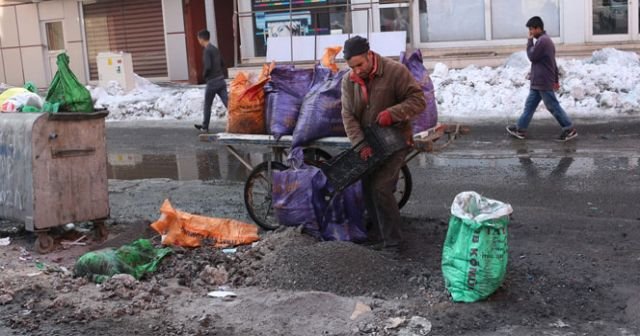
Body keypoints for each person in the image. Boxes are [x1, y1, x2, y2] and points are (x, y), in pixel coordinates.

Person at [340, 36, 426, 251]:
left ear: (370, 55)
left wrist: (393, 113)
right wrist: (360, 144)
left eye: (360, 64)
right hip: (369, 142)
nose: (357, 70)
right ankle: (378, 233)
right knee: (367, 185)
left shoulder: (395, 71)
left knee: (381, 188)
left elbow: (418, 101)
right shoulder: (348, 81)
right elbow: (348, 115)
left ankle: (394, 242)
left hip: (396, 139)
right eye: (352, 67)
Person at [507, 16, 578, 142]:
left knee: (553, 106)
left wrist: (529, 42)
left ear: (538, 28)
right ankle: (521, 129)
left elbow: (532, 56)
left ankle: (569, 129)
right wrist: (555, 80)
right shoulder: (543, 40)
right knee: (529, 106)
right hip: (538, 82)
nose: (530, 32)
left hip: (543, 81)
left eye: (531, 29)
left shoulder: (543, 41)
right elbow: (552, 62)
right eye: (529, 30)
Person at [194, 30, 228, 133]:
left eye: (198, 39)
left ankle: (205, 127)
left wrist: (205, 75)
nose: (198, 41)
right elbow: (222, 62)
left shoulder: (207, 50)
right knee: (228, 103)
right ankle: (239, 120)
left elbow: (208, 66)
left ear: (201, 39)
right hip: (221, 80)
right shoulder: (215, 49)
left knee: (207, 104)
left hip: (212, 82)